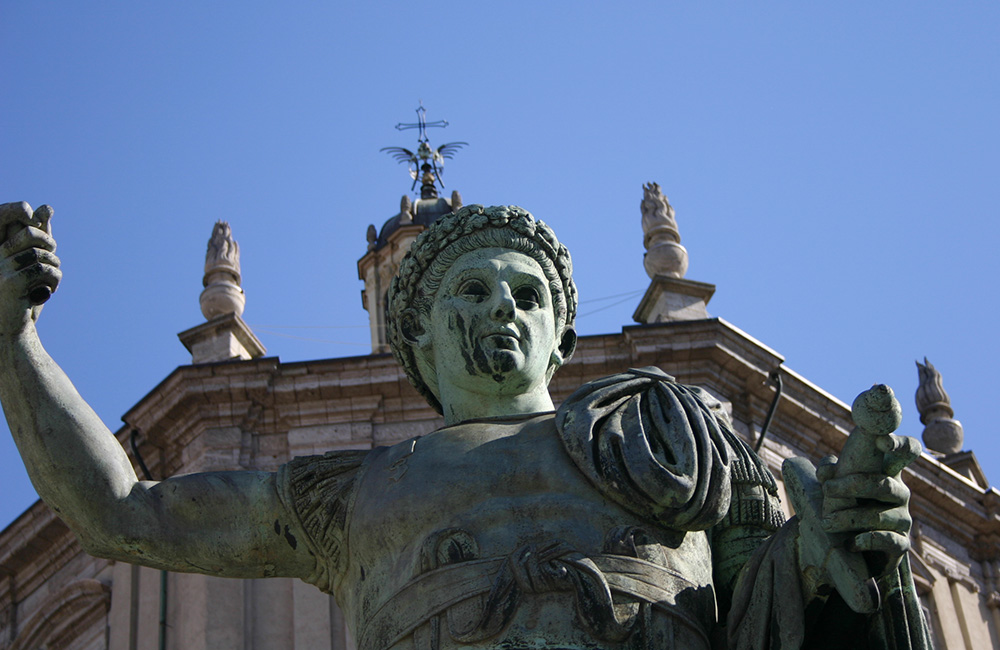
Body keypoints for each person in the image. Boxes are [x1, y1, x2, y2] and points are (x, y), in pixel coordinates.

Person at [0, 201, 929, 649]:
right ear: (416, 332)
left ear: (561, 332)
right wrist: (15, 339)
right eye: (473, 291)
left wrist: (830, 545)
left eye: (529, 296)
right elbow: (120, 510)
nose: (505, 312)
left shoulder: (667, 438)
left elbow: (773, 587)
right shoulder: (350, 493)